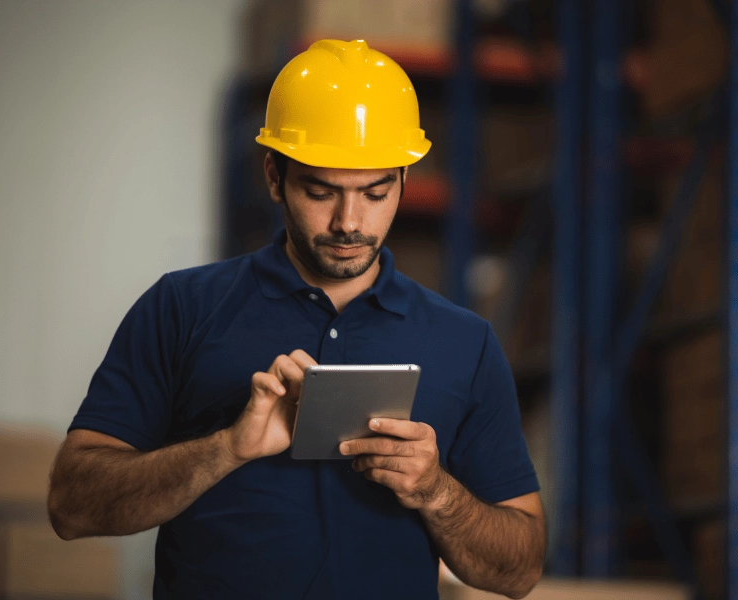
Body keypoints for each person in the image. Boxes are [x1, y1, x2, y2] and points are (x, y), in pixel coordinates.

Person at [48, 39, 545, 600]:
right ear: (274, 176)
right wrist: (226, 448)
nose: (349, 221)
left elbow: (521, 570)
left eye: (375, 192)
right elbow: (71, 506)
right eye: (320, 191)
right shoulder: (181, 308)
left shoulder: (465, 342)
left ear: (404, 181)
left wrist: (435, 491)